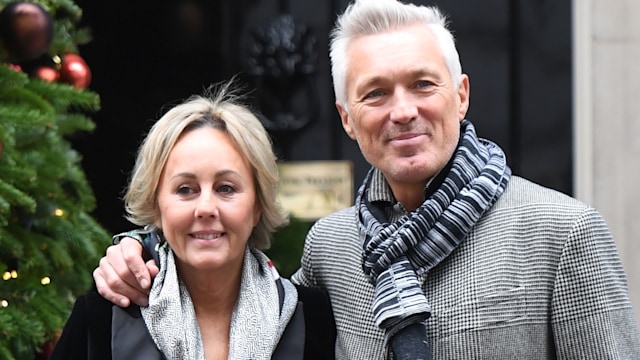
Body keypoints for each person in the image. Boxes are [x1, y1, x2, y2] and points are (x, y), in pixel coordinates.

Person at [92, 0, 640, 359]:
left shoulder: (563, 232)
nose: (402, 111)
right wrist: (140, 251)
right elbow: (235, 293)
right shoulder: (331, 249)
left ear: (462, 94)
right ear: (347, 118)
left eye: (423, 84)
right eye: (376, 93)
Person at [50, 81, 336, 360]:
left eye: (226, 188)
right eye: (185, 189)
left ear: (257, 206)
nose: (206, 208)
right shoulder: (100, 319)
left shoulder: (312, 317)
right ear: (156, 206)